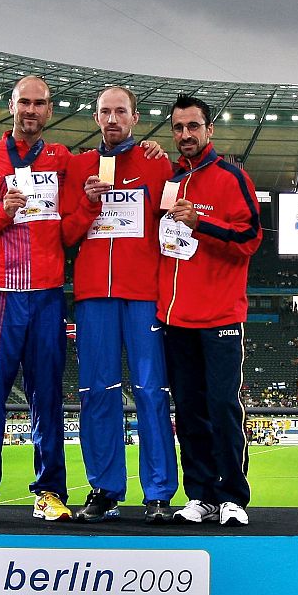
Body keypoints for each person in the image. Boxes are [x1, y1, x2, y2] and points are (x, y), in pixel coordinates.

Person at [0, 75, 75, 526]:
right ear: (11, 107)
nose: (31, 110)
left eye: (39, 103)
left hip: (47, 294)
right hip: (1, 294)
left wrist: (150, 151)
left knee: (49, 396)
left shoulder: (61, 159)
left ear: (49, 111)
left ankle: (49, 492)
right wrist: (1, 213)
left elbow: (110, 165)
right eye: (24, 102)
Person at [61, 85, 177, 523]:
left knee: (151, 392)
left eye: (121, 112)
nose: (112, 119)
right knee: (96, 392)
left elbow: (168, 221)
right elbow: (66, 235)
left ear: (135, 118)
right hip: (93, 296)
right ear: (95, 118)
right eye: (105, 112)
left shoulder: (155, 162)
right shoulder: (77, 167)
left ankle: (159, 492)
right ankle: (105, 488)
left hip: (143, 294)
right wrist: (89, 204)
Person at [158, 94, 263, 527]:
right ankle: (199, 495)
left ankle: (233, 495)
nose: (186, 134)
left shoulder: (232, 178)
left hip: (220, 316)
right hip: (174, 319)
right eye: (178, 127)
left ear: (209, 130)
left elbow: (251, 239)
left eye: (193, 126)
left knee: (222, 406)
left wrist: (202, 223)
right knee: (188, 410)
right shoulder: (168, 180)